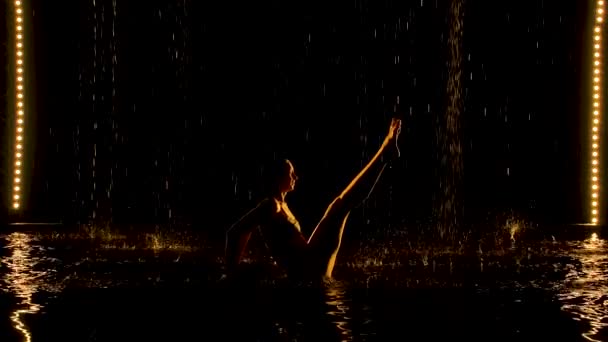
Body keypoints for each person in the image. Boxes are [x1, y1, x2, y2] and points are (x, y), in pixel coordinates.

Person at [224, 118, 402, 281]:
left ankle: (385, 153)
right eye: (291, 173)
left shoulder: (281, 205)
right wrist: (232, 272)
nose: (296, 177)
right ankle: (385, 153)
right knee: (340, 205)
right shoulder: (271, 205)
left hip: (309, 264)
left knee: (340, 205)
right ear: (278, 177)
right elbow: (235, 232)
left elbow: (246, 233)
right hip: (308, 268)